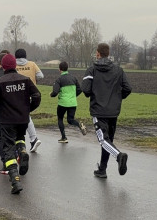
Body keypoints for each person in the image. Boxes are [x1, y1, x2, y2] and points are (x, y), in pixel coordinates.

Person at [0, 53, 41, 194]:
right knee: (20, 138)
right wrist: (28, 109)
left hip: (6, 120)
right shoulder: (25, 80)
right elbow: (37, 95)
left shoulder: (0, 82)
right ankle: (23, 151)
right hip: (22, 119)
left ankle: (15, 180)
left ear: (3, 66)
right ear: (15, 65)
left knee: (8, 148)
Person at [81, 42, 131, 179]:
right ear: (108, 54)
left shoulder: (91, 70)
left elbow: (85, 89)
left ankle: (119, 156)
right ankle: (102, 169)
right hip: (114, 111)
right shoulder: (119, 70)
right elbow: (128, 88)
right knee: (108, 140)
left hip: (98, 110)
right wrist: (117, 98)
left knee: (103, 140)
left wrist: (93, 94)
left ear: (97, 53)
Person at [15, 48, 43, 152]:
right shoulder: (32, 64)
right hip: (30, 93)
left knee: (24, 116)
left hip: (16, 93)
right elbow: (40, 76)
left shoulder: (14, 65)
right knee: (25, 115)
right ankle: (33, 139)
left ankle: (33, 139)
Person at [50, 61, 86, 142]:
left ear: (60, 69)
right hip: (73, 103)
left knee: (60, 119)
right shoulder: (74, 78)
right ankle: (79, 124)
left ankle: (64, 137)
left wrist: (51, 95)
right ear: (67, 68)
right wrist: (73, 96)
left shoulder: (59, 79)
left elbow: (55, 92)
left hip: (62, 103)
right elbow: (80, 90)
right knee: (70, 120)